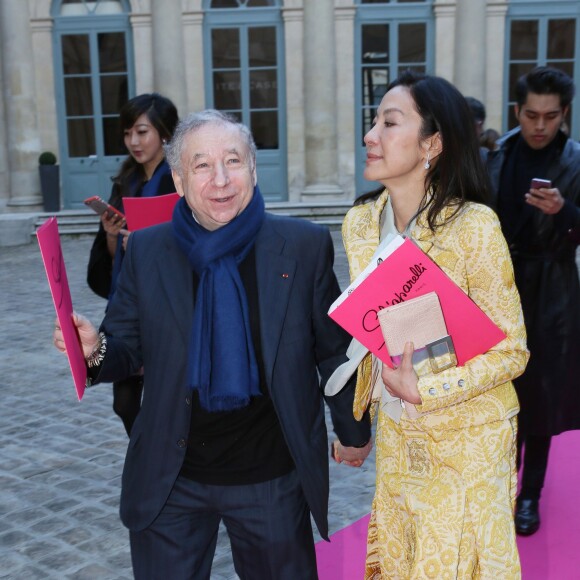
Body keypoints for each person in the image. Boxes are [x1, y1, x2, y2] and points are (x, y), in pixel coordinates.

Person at [54, 109, 372, 579]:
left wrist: (353, 430)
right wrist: (93, 347)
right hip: (172, 477)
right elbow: (125, 347)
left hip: (270, 474)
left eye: (233, 161)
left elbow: (332, 348)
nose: (220, 179)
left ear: (253, 170)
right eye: (202, 166)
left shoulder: (302, 246)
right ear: (179, 181)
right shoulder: (148, 250)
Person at [341, 71, 529, 577]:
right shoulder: (360, 225)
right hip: (400, 437)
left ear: (434, 143)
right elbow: (373, 333)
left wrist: (430, 389)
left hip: (471, 439)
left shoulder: (474, 228)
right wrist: (352, 421)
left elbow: (513, 350)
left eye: (389, 122)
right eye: (373, 121)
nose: (370, 135)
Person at [486, 66, 580, 536]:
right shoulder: (497, 156)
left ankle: (529, 496)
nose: (540, 126)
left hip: (551, 292)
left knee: (539, 399)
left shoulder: (577, 161)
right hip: (499, 289)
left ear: (564, 114)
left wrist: (566, 212)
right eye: (531, 115)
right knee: (498, 395)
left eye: (551, 116)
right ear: (517, 112)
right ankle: (499, 488)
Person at [87, 93, 179, 436]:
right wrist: (113, 236)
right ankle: (152, 457)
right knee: (123, 403)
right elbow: (112, 263)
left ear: (165, 133)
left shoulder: (180, 180)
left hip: (167, 305)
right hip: (127, 304)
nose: (133, 142)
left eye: (142, 132)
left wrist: (146, 243)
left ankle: (165, 466)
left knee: (167, 398)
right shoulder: (126, 181)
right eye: (128, 133)